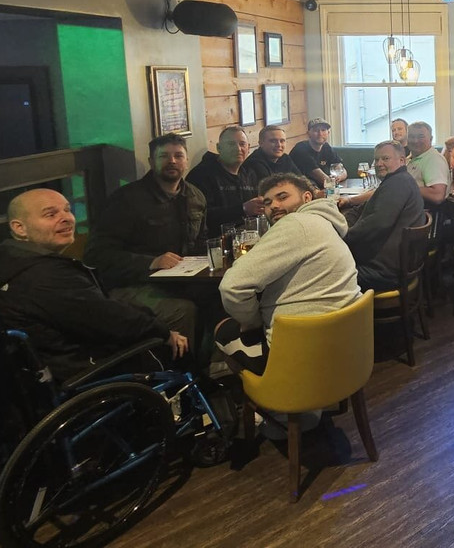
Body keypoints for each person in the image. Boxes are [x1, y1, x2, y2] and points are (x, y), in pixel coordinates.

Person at [0, 189, 188, 382]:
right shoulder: (47, 276)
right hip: (83, 372)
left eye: (67, 210)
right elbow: (113, 320)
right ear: (19, 228)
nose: (66, 218)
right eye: (51, 214)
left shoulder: (12, 260)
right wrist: (163, 332)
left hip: (48, 368)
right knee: (176, 321)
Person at [215, 173, 359, 375]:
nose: (274, 205)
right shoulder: (325, 221)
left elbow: (232, 287)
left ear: (307, 197)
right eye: (267, 202)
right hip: (344, 344)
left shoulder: (295, 223)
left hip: (298, 354)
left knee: (223, 329)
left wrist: (253, 322)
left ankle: (263, 393)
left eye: (282, 197)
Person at [84, 133, 206, 342]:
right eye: (163, 156)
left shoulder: (196, 196)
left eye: (178, 156)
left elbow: (202, 240)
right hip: (131, 284)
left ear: (186, 161)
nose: (172, 161)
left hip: (181, 279)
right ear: (151, 161)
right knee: (183, 310)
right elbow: (96, 255)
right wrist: (151, 262)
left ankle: (215, 359)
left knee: (220, 295)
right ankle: (181, 363)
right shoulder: (127, 200)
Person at [340, 141, 426, 292]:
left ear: (402, 160)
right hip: (393, 264)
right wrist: (342, 222)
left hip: (385, 272)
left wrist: (343, 237)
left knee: (327, 274)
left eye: (385, 159)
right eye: (376, 159)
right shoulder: (396, 180)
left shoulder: (398, 184)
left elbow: (378, 224)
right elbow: (362, 209)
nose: (379, 164)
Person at [186, 126, 262, 236]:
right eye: (231, 144)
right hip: (216, 239)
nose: (238, 149)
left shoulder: (250, 173)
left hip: (248, 236)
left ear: (248, 148)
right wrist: (243, 209)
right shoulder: (201, 175)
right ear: (219, 148)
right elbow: (203, 217)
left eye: (242, 144)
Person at [406, 121, 450, 205]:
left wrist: (405, 188)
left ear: (431, 139)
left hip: (425, 211)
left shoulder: (433, 159)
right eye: (411, 136)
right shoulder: (411, 158)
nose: (415, 141)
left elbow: (437, 195)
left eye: (421, 136)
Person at [289, 118, 340, 189]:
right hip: (298, 188)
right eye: (316, 130)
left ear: (328, 133)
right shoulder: (301, 149)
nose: (320, 134)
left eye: (323, 130)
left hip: (317, 187)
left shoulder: (326, 147)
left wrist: (338, 177)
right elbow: (320, 177)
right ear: (308, 134)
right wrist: (332, 181)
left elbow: (342, 169)